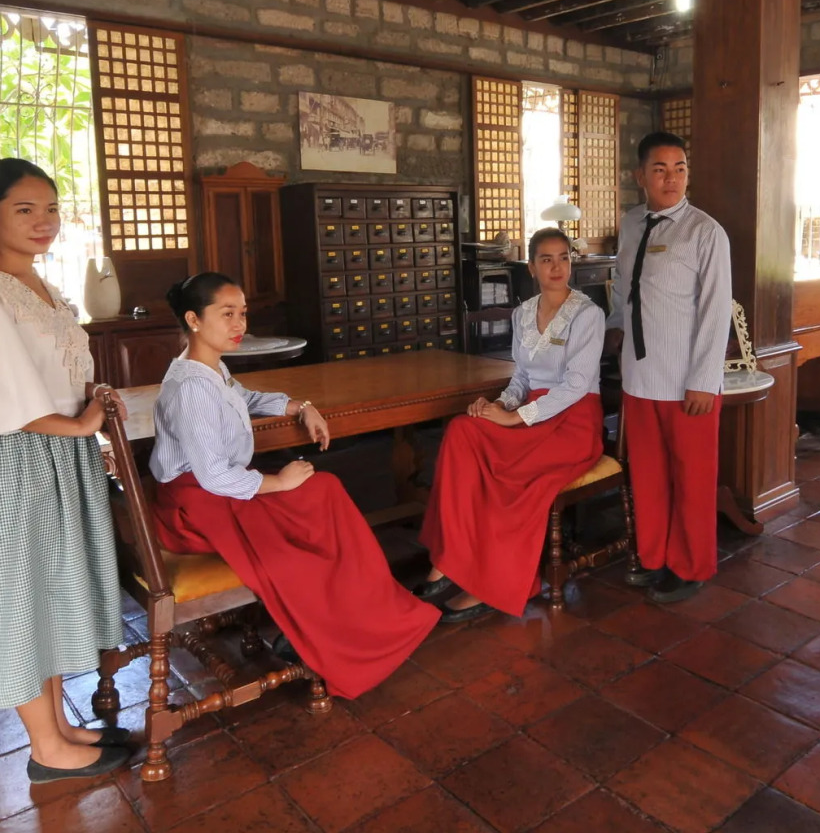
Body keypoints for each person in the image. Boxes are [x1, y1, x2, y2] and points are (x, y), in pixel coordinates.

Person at [0, 157, 130, 784]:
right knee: (19, 598)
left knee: (47, 593)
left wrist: (92, 400)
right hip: (13, 463)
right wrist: (80, 425)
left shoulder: (41, 288)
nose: (43, 221)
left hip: (57, 456)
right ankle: (46, 749)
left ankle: (60, 727)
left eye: (51, 208)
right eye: (24, 209)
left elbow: (53, 374)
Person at [149, 273, 438, 699]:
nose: (239, 324)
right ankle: (336, 632)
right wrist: (279, 482)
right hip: (196, 506)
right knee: (309, 522)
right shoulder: (191, 387)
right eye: (227, 314)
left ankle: (363, 612)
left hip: (217, 491)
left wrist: (300, 406)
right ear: (194, 319)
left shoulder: (209, 368)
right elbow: (213, 475)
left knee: (325, 491)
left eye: (242, 313)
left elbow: (245, 398)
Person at [418, 228, 607, 622]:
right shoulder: (523, 314)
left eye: (563, 257)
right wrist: (499, 405)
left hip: (573, 422)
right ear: (532, 267)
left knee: (509, 478)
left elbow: (575, 386)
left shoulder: (588, 315)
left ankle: (489, 585)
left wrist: (514, 417)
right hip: (531, 413)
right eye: (546, 259)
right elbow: (521, 377)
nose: (557, 267)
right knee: (463, 431)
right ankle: (449, 557)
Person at [605, 131, 732, 604]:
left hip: (686, 382)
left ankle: (691, 565)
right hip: (640, 377)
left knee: (692, 478)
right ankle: (654, 556)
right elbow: (623, 287)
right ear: (640, 176)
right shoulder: (631, 223)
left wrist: (703, 380)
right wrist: (615, 326)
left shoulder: (705, 232)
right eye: (660, 170)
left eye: (679, 169)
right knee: (649, 475)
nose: (671, 178)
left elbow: (716, 311)